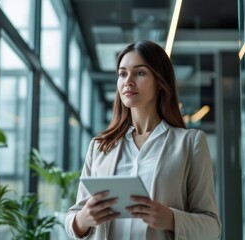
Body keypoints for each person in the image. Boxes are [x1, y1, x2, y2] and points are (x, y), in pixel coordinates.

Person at [64, 40, 221, 240]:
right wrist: (81, 221)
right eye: (122, 74)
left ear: (160, 81)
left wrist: (171, 219)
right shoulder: (99, 146)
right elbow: (73, 215)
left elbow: (212, 227)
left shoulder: (191, 143)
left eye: (139, 73)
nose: (128, 81)